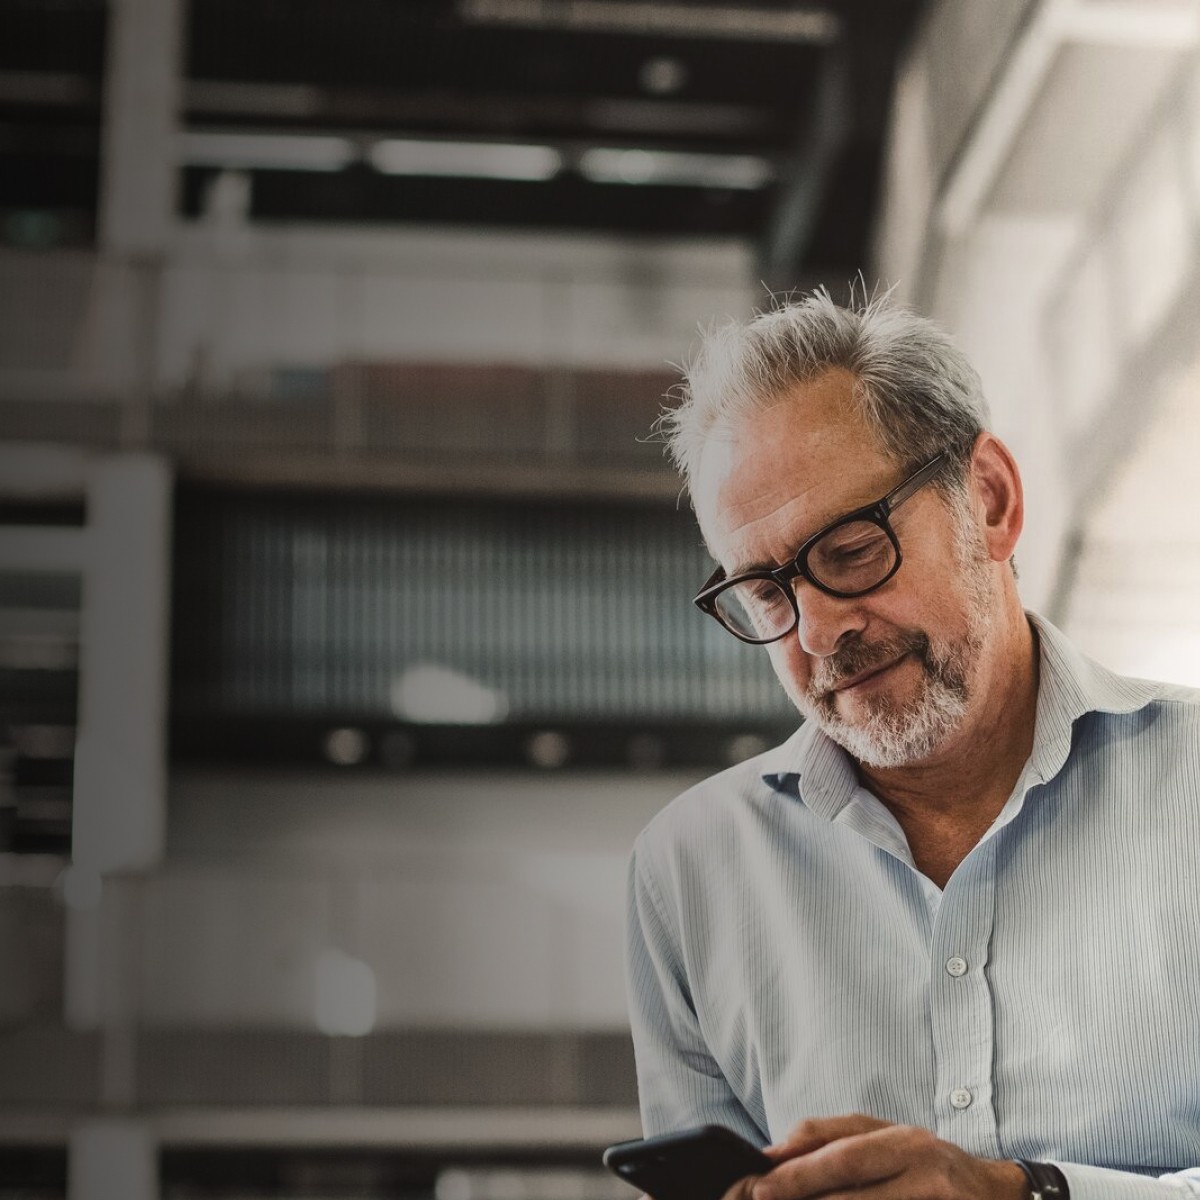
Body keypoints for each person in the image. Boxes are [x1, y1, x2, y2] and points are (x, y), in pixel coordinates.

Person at [624, 291, 1200, 1200]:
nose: (816, 634)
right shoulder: (691, 871)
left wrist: (1024, 1195)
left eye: (850, 551)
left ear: (992, 502)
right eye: (768, 595)